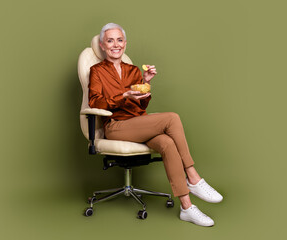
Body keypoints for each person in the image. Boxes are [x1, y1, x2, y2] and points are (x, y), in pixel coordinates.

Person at [88, 23, 223, 227]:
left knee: (167, 143)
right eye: (110, 40)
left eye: (120, 40)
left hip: (137, 123)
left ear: (125, 44)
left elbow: (141, 103)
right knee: (172, 118)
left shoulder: (133, 70)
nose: (116, 44)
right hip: (116, 126)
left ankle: (187, 208)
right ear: (102, 45)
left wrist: (146, 82)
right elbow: (94, 102)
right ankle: (193, 177)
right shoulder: (96, 71)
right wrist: (123, 95)